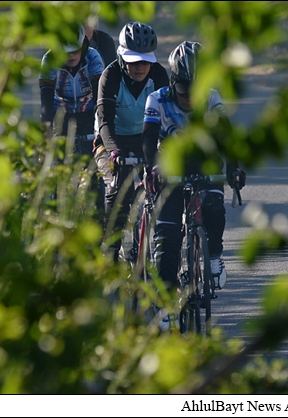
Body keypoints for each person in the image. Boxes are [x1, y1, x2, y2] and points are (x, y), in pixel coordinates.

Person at [141, 41, 246, 330]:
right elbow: (149, 140)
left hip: (204, 162)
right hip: (170, 165)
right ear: (173, 82)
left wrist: (233, 168)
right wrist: (153, 169)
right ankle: (165, 303)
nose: (189, 99)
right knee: (168, 239)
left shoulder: (211, 99)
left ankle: (214, 256)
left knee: (213, 206)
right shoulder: (157, 100)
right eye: (184, 90)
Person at [93, 21, 169, 262]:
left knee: (165, 184)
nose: (140, 66)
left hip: (147, 138)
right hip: (112, 140)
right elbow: (104, 122)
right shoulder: (110, 76)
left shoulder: (158, 75)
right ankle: (111, 253)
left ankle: (162, 249)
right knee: (117, 190)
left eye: (145, 60)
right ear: (121, 58)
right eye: (134, 60)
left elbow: (167, 118)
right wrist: (114, 151)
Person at [39, 24, 105, 157]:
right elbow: (46, 102)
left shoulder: (93, 57)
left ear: (83, 47)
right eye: (66, 52)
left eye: (75, 50)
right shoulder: (49, 60)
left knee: (91, 162)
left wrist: (100, 128)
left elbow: (100, 96)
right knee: (59, 159)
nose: (71, 56)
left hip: (88, 112)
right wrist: (46, 132)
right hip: (60, 113)